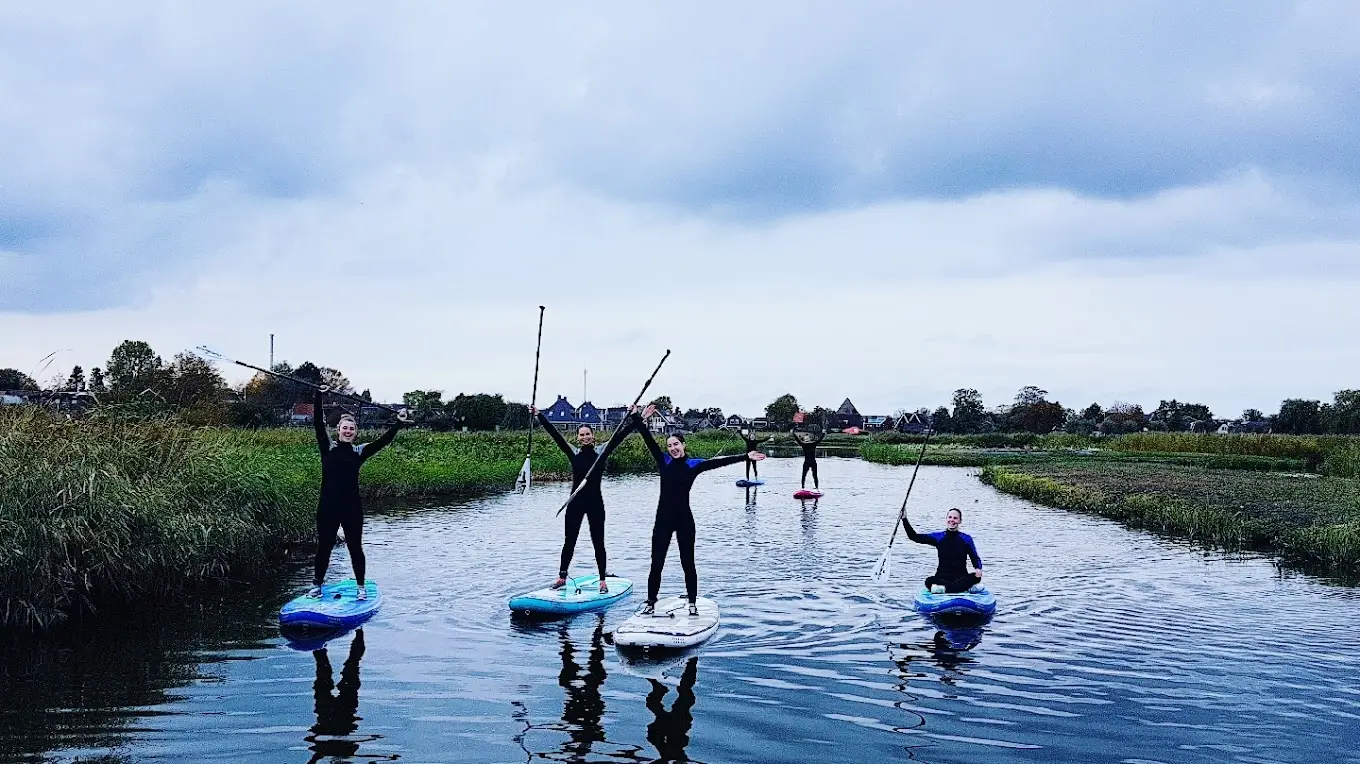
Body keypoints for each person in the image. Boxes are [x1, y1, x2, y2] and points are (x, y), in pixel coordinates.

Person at [632, 406, 766, 616]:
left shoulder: (693, 465)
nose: (673, 448)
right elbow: (648, 439)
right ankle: (650, 602)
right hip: (663, 521)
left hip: (684, 520)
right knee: (656, 562)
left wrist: (746, 457)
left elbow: (718, 463)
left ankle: (692, 603)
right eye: (669, 446)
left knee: (688, 562)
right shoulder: (664, 461)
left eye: (676, 444)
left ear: (683, 445)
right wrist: (637, 418)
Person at [309, 386, 409, 600]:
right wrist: (319, 395)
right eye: (345, 428)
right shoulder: (327, 447)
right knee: (324, 547)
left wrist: (399, 423)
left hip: (352, 509)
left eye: (352, 429)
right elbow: (318, 422)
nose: (348, 431)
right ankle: (317, 586)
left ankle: (361, 587)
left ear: (355, 432)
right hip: (327, 507)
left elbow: (383, 442)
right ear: (338, 429)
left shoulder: (359, 451)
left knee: (355, 548)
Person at [532, 404, 639, 593]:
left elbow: (620, 436)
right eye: (581, 435)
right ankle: (562, 577)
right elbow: (556, 436)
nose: (585, 437)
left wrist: (634, 416)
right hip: (575, 503)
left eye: (587, 434)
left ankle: (602, 580)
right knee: (569, 541)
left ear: (593, 435)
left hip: (595, 504)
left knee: (598, 541)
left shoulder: (601, 452)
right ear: (577, 438)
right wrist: (539, 415)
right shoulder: (574, 453)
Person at [900, 507, 984, 593]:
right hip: (942, 578)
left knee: (976, 576)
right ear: (946, 519)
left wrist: (978, 568)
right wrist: (904, 519)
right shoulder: (939, 537)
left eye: (955, 518)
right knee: (928, 581)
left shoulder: (966, 539)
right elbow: (914, 537)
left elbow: (974, 557)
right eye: (950, 517)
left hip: (961, 577)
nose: (952, 520)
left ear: (960, 521)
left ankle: (945, 589)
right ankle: (964, 588)